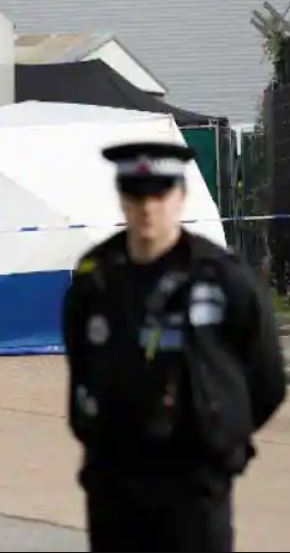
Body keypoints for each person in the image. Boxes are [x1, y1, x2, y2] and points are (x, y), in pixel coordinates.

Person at [62, 141, 287, 552]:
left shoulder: (222, 278)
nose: (148, 207)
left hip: (194, 483)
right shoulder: (96, 279)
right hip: (116, 483)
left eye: (161, 193)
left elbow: (267, 378)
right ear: (122, 199)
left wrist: (219, 429)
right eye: (136, 194)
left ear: (181, 197)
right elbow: (82, 363)